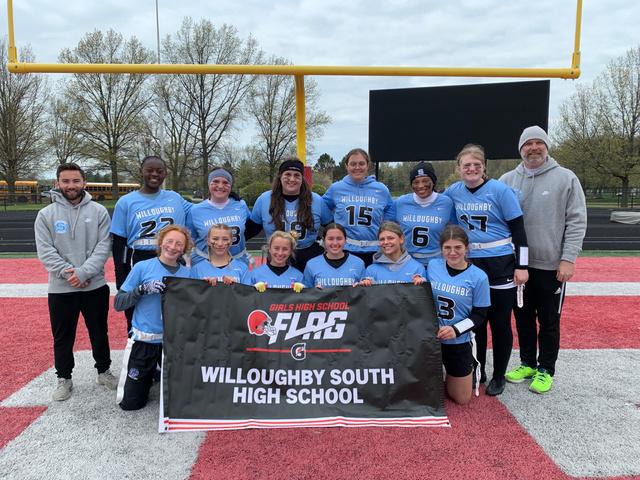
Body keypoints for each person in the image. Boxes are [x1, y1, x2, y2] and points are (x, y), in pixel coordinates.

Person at [500, 126, 587, 394]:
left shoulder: (566, 178)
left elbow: (576, 220)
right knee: (523, 318)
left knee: (549, 320)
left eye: (539, 142)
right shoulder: (507, 180)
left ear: (547, 146)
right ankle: (527, 363)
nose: (534, 147)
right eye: (528, 144)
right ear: (521, 149)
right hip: (518, 266)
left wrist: (568, 258)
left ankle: (546, 369)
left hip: (551, 266)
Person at [444, 144, 529, 396]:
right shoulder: (453, 191)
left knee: (500, 322)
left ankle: (499, 375)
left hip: (500, 262)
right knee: (476, 322)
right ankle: (476, 369)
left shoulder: (500, 191)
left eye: (476, 165)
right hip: (471, 263)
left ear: (484, 167)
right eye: (466, 165)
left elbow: (519, 230)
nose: (471, 169)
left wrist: (522, 265)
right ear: (458, 168)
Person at [34, 163, 118, 402]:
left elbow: (104, 246)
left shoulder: (99, 211)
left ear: (84, 183)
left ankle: (103, 371)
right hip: (61, 288)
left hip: (94, 286)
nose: (71, 185)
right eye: (66, 181)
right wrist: (68, 273)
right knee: (63, 336)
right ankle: (64, 378)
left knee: (99, 331)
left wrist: (84, 273)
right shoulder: (45, 215)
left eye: (75, 181)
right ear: (57, 183)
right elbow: (45, 251)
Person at [114, 225, 192, 411]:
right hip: (145, 341)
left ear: (184, 249)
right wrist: (141, 290)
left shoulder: (188, 274)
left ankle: (157, 373)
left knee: (181, 401)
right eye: (169, 241)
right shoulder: (142, 267)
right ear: (161, 242)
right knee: (131, 404)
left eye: (179, 244)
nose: (173, 247)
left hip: (172, 343)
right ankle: (148, 374)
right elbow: (119, 303)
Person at [110, 155, 191, 335]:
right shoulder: (126, 202)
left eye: (159, 171)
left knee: (174, 309)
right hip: (140, 258)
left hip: (172, 258)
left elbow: (201, 211)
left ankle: (171, 348)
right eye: (150, 170)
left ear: (165, 174)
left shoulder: (175, 197)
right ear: (141, 172)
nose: (154, 174)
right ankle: (136, 343)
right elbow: (119, 243)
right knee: (137, 307)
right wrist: (121, 276)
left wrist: (227, 199)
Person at [428, 225, 490, 404]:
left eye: (458, 247)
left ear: (466, 248)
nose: (452, 252)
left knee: (461, 399)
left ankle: (457, 373)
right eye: (447, 247)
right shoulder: (432, 266)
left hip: (458, 340)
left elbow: (480, 314)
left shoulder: (479, 277)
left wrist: (456, 330)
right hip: (431, 338)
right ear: (441, 248)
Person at [247, 158, 332, 272]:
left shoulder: (316, 200)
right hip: (278, 257)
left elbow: (331, 227)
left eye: (297, 175)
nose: (292, 179)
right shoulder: (264, 199)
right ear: (280, 176)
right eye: (287, 174)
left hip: (309, 256)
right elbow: (251, 229)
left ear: (302, 178)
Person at [322, 148, 394, 267]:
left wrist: (384, 228)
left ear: (368, 165)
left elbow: (390, 211)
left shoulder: (381, 189)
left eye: (361, 163)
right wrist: (331, 225)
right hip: (345, 249)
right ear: (346, 166)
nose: (357, 167)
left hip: (375, 250)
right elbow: (323, 208)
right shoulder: (336, 188)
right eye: (353, 164)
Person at [392, 161, 455, 267]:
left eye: (425, 181)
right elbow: (387, 227)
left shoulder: (446, 203)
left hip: (437, 261)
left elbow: (456, 230)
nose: (420, 185)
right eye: (416, 182)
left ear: (433, 182)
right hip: (407, 261)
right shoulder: (400, 202)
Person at [187, 168, 251, 267]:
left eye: (225, 182)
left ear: (231, 186)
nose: (220, 186)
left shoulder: (241, 205)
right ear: (209, 184)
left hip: (237, 264)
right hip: (204, 264)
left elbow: (249, 229)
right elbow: (190, 239)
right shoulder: (195, 210)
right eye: (215, 181)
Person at [359, 221, 426, 285]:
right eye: (382, 239)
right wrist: (365, 285)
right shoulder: (371, 270)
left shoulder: (417, 268)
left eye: (390, 238)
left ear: (401, 239)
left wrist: (421, 284)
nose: (386, 242)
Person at [303, 223, 366, 288]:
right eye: (330, 239)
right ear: (324, 240)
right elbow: (306, 293)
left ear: (345, 240)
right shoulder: (312, 265)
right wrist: (314, 291)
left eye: (339, 238)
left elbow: (364, 292)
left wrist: (362, 285)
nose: (335, 243)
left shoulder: (358, 263)